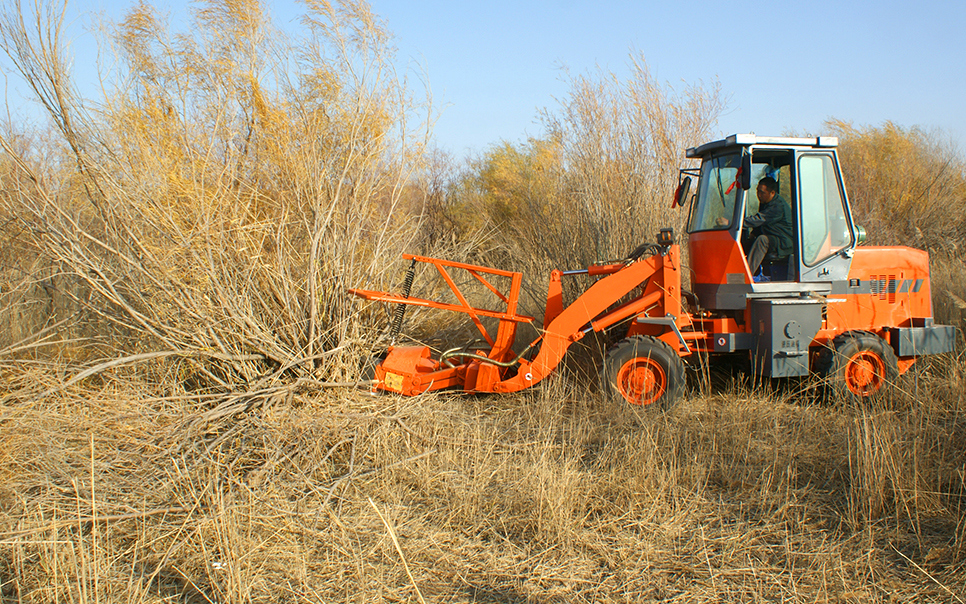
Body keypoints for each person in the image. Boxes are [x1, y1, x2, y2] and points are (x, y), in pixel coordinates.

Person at [744, 176, 793, 278]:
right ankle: (738, 271)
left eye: (762, 192)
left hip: (784, 241)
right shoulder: (766, 202)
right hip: (774, 237)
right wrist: (753, 234)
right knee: (745, 242)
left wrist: (735, 223)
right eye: (757, 191)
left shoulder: (777, 206)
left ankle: (746, 276)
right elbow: (761, 223)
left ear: (772, 193)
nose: (759, 195)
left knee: (762, 240)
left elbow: (759, 219)